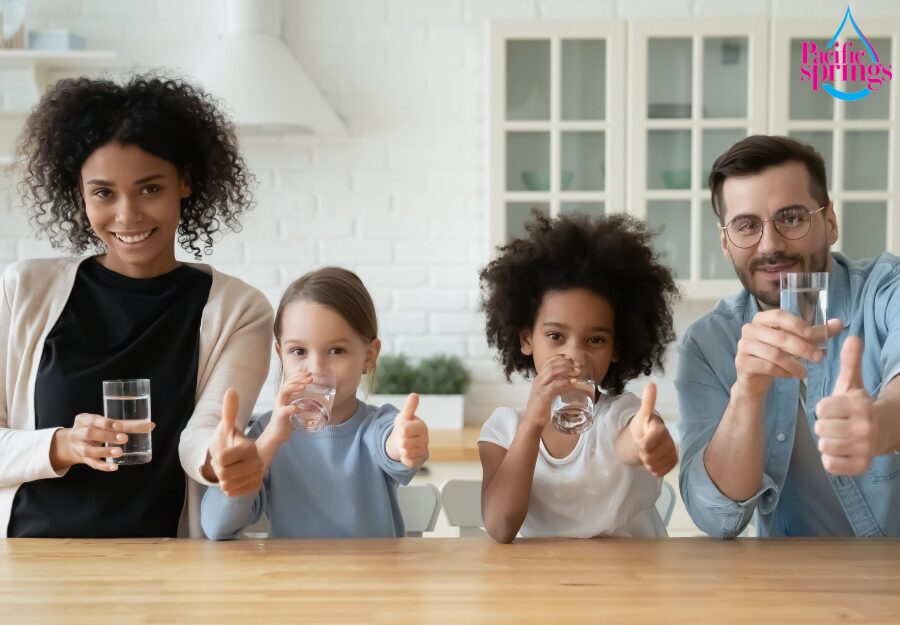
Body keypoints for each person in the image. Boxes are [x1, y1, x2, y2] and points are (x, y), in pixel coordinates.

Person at [0, 74, 272, 538]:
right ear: (79, 194)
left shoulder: (239, 310)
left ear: (184, 181)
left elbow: (204, 435)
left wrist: (221, 460)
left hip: (163, 564)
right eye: (103, 193)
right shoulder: (25, 289)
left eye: (150, 188)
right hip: (32, 563)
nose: (127, 215)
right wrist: (62, 444)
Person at [677, 135, 900, 538]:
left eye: (792, 217)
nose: (771, 245)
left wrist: (880, 423)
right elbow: (715, 518)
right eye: (746, 226)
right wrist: (747, 392)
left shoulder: (887, 288)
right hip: (791, 586)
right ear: (726, 242)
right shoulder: (708, 344)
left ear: (829, 221)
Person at [477, 212, 680, 543]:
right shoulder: (502, 430)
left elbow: (632, 441)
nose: (573, 354)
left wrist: (648, 438)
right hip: (545, 589)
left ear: (617, 347)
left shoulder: (622, 416)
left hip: (634, 584)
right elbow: (501, 526)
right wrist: (532, 420)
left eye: (595, 340)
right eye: (556, 336)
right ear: (526, 339)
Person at [201, 267, 430, 539]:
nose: (317, 368)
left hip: (373, 580)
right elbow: (216, 526)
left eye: (336, 351)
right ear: (281, 355)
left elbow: (392, 446)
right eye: (298, 351)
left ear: (368, 356)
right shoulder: (266, 435)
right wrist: (269, 441)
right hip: (297, 580)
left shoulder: (378, 427)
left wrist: (405, 442)